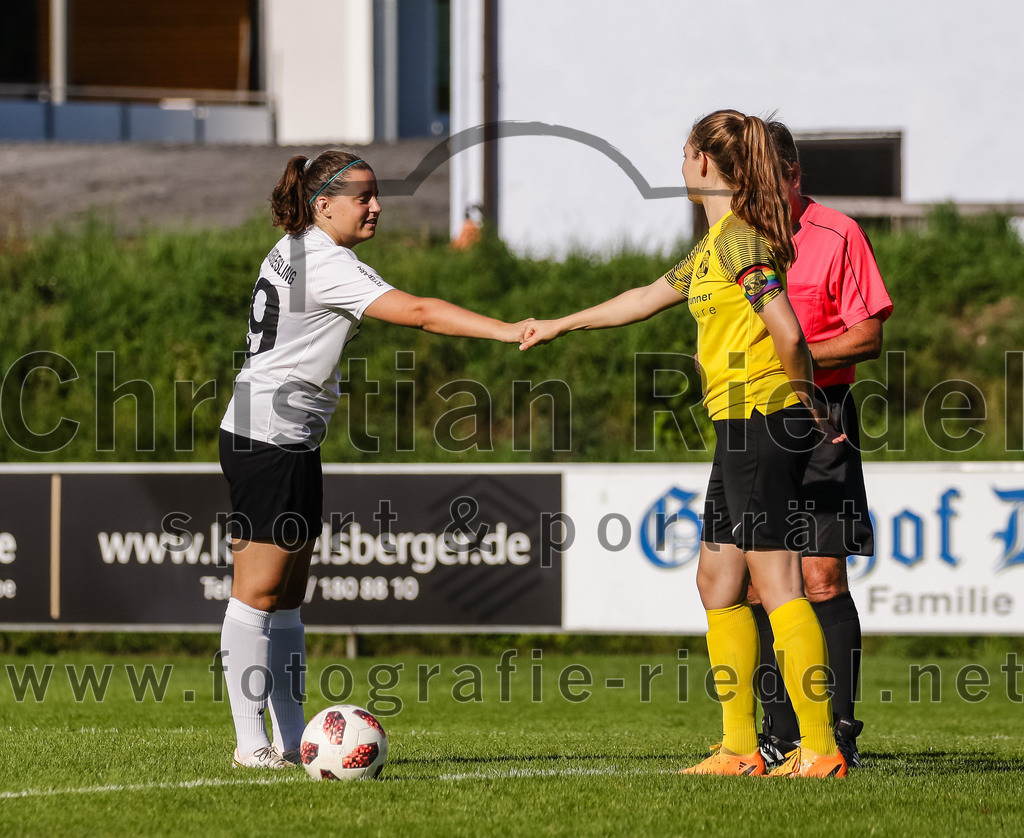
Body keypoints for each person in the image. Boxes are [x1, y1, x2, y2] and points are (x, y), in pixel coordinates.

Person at [521, 109, 846, 778]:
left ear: (702, 162)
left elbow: (787, 331)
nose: (680, 161)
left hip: (763, 419)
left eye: (684, 150)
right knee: (717, 580)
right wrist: (560, 323)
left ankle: (819, 749)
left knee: (779, 583)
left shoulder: (740, 242)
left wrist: (803, 395)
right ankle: (738, 748)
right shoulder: (715, 243)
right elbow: (644, 297)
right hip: (738, 428)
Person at [218, 150, 529, 768]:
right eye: (364, 197)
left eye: (376, 194)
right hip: (267, 440)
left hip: (288, 438)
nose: (377, 206)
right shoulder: (324, 263)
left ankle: (291, 737)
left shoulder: (301, 248)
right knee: (257, 592)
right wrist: (502, 329)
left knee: (289, 596)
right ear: (323, 205)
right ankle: (249, 745)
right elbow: (414, 312)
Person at [752, 121, 893, 770]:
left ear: (793, 176)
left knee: (821, 574)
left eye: (765, 177)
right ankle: (775, 735)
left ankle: (838, 732)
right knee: (758, 584)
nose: (755, 190)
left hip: (822, 416)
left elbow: (868, 337)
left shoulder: (839, 233)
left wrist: (798, 362)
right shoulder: (735, 242)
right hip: (751, 420)